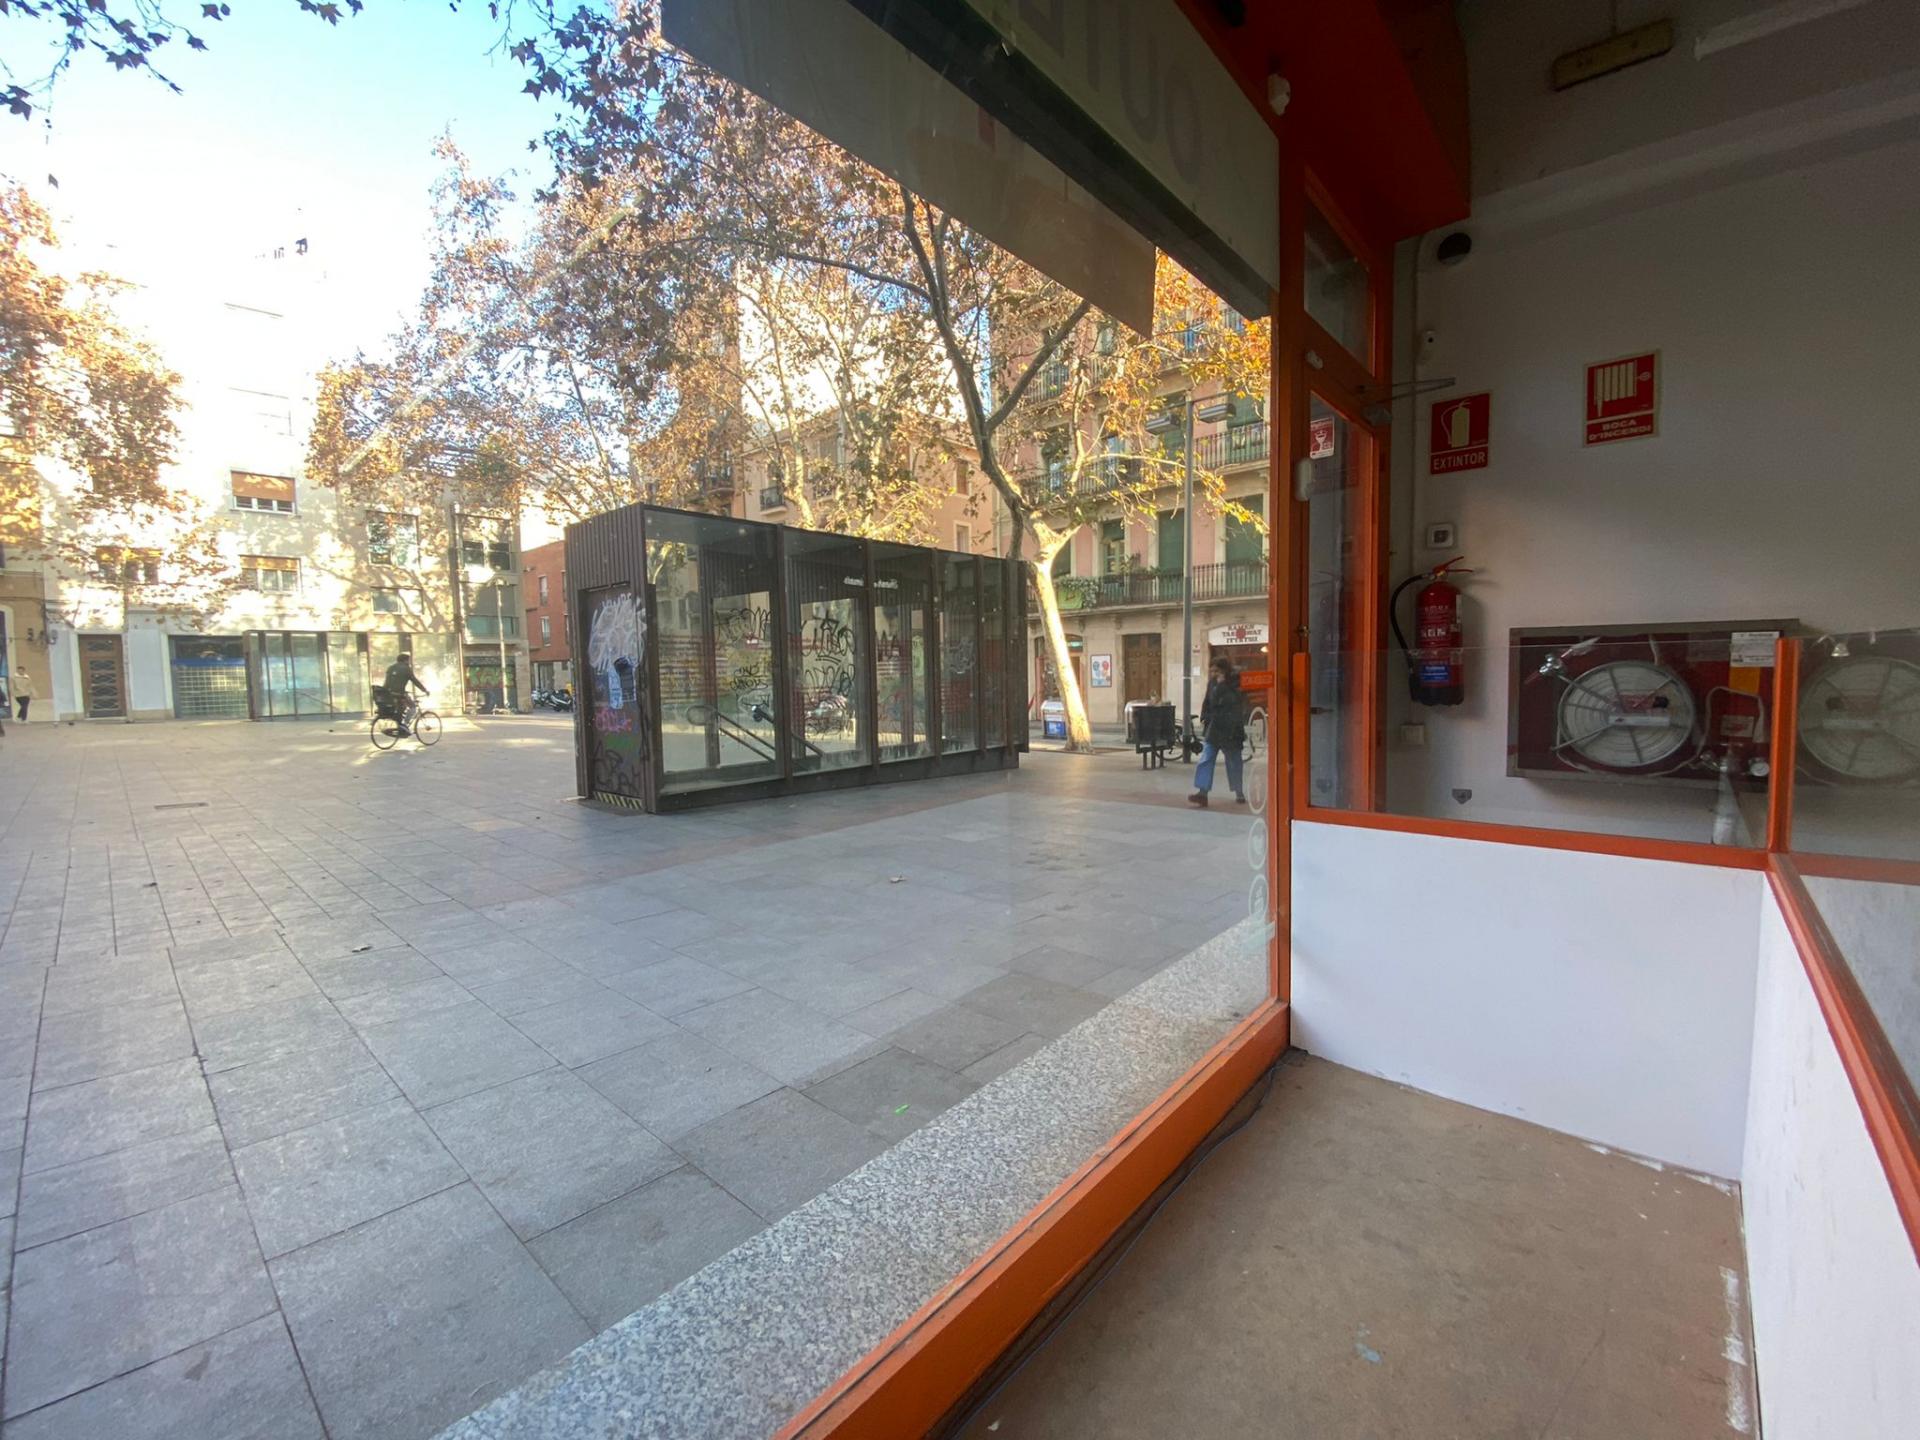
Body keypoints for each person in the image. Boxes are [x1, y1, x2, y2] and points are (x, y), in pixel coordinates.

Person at [1188, 657, 1247, 809]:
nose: (1213, 674)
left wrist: (1222, 686)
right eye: (1212, 671)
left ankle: (1238, 791)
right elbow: (1209, 701)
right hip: (1214, 728)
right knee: (1206, 759)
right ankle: (1202, 792)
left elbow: (1235, 701)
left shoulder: (1235, 682)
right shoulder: (1212, 682)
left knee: (1233, 761)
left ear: (1225, 671)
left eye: (1217, 671)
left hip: (1231, 729)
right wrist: (1205, 716)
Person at [380, 651, 429, 735]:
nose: (409, 662)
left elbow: (386, 683)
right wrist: (425, 690)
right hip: (399, 694)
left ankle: (399, 722)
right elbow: (415, 681)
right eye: (408, 660)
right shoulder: (406, 668)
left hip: (389, 694)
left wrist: (385, 693)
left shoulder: (391, 668)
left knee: (401, 707)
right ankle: (404, 725)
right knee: (413, 707)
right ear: (405, 660)